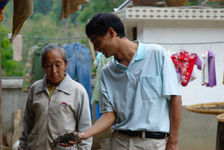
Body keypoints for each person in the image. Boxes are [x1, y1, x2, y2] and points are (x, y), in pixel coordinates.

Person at [76, 12, 182, 150]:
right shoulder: (107, 72)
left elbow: (175, 98)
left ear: (111, 32)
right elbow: (110, 114)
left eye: (96, 41)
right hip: (119, 142)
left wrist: (173, 141)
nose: (96, 48)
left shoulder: (157, 55)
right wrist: (84, 135)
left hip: (152, 143)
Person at [18, 43, 92, 150]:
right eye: (48, 65)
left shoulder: (77, 91)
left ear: (66, 64)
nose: (54, 71)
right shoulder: (35, 89)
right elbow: (27, 127)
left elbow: (85, 130)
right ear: (43, 66)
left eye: (58, 65)